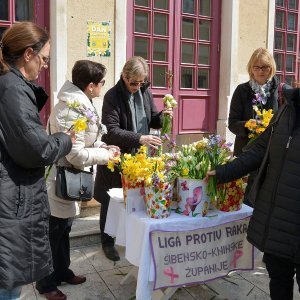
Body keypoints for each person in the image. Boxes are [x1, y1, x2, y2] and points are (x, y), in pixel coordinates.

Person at [36, 60, 120, 300]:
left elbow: (87, 140)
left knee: (64, 230)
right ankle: (45, 284)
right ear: (91, 85)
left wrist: (104, 145)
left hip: (72, 178)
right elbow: (74, 153)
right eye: (102, 82)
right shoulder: (70, 108)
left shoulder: (83, 102)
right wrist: (106, 156)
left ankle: (62, 271)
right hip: (61, 178)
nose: (103, 86)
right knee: (53, 235)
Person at [0, 22, 73, 300]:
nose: (45, 65)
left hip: (11, 195)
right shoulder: (12, 89)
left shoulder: (11, 85)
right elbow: (36, 150)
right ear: (28, 54)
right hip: (11, 197)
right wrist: (64, 139)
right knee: (8, 282)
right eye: (44, 58)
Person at [207, 87, 300, 300]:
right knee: (278, 281)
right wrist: (223, 172)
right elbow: (259, 150)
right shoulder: (286, 109)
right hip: (278, 220)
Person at [94, 56, 172, 261]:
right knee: (111, 200)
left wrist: (165, 115)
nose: (137, 86)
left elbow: (153, 119)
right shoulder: (112, 96)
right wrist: (140, 138)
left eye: (141, 82)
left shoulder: (145, 92)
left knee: (136, 199)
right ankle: (107, 241)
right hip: (118, 156)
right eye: (133, 83)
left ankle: (130, 237)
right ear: (123, 77)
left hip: (140, 158)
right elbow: (111, 131)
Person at [228, 47, 289, 206]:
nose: (261, 71)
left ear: (272, 68)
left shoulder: (281, 90)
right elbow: (232, 123)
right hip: (246, 152)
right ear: (251, 69)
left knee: (267, 199)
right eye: (257, 67)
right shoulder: (242, 91)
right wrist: (248, 125)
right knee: (244, 199)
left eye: (265, 67)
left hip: (272, 153)